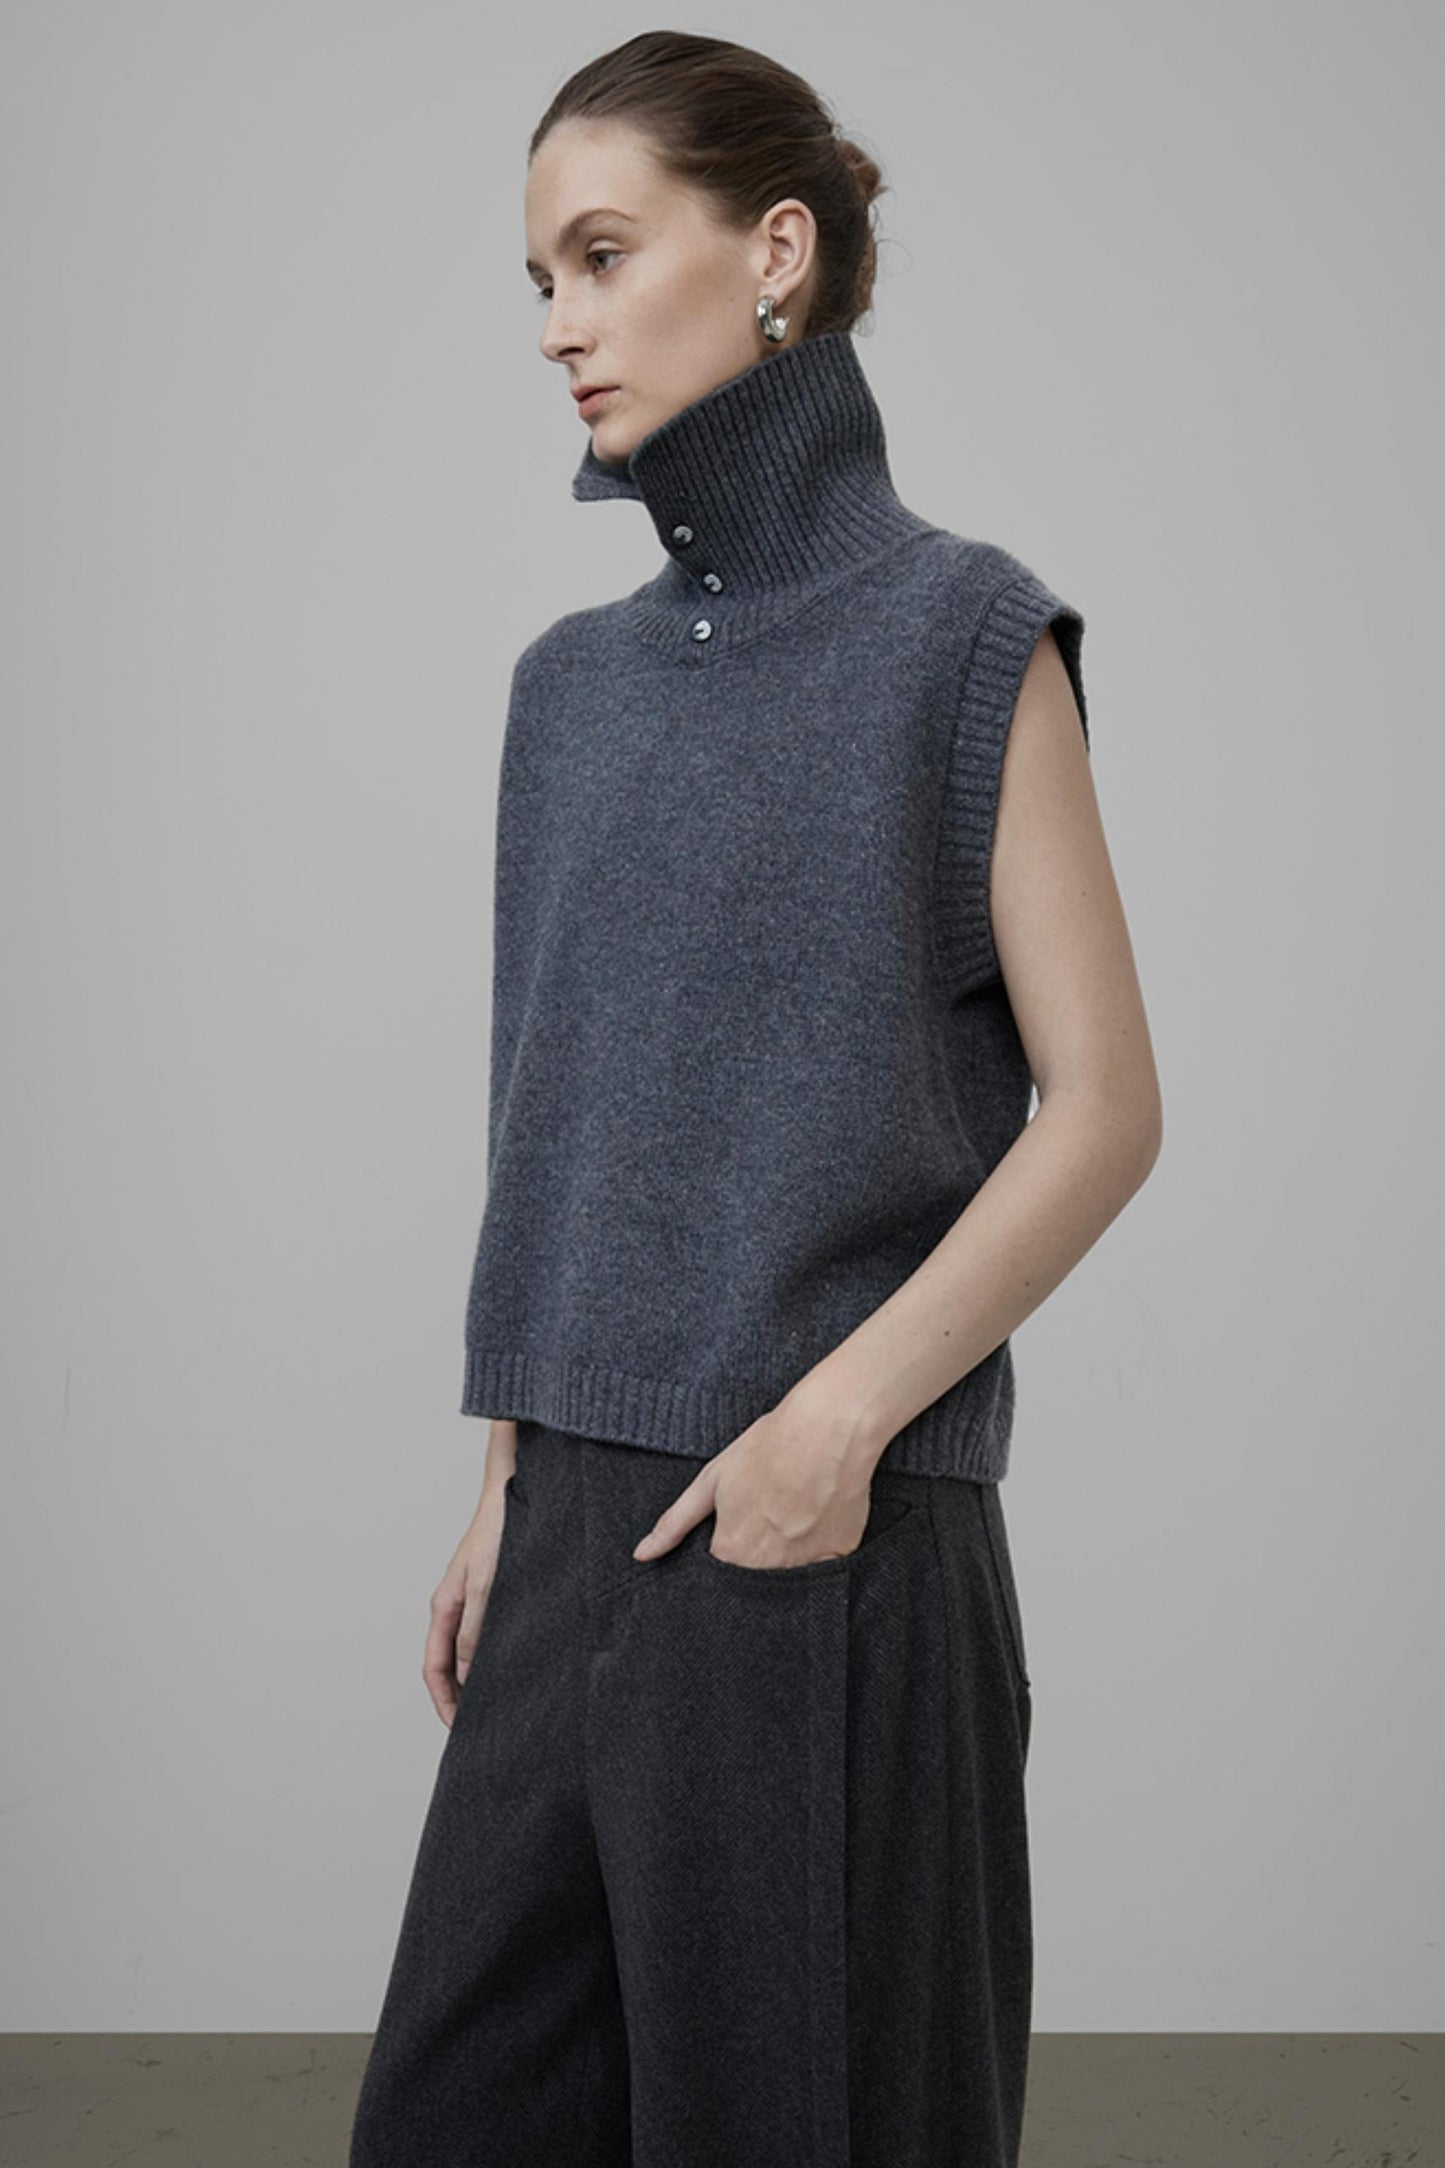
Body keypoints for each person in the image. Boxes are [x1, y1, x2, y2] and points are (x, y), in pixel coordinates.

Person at [349, 29, 1161, 2168]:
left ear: (775, 252)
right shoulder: (568, 692)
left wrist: (833, 1428)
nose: (557, 323)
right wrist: (509, 1474)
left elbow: (1103, 1105)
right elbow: (557, 1111)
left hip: (830, 1547)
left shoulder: (963, 639)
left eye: (603, 256)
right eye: (541, 276)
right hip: (570, 1534)